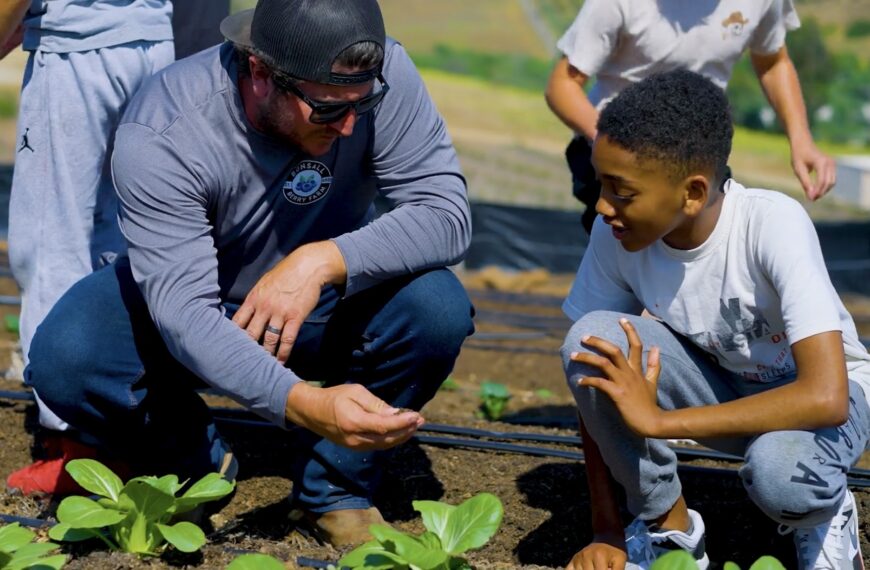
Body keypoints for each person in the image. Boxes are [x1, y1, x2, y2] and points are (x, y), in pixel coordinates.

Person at [16, 0, 474, 548]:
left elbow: (445, 213)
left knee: (435, 310)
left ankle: (335, 491)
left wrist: (320, 260)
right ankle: (195, 462)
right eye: (327, 110)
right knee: (68, 355)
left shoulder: (380, 75)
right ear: (260, 72)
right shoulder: (166, 127)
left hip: (318, 305)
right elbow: (184, 313)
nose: (350, 124)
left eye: (362, 104)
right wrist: (304, 404)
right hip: (190, 302)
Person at [560, 69, 868, 569]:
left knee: (781, 474)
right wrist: (607, 532)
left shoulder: (771, 224)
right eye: (601, 184)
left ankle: (824, 513)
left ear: (693, 193)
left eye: (622, 191)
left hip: (831, 402)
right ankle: (669, 528)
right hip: (727, 393)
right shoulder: (611, 234)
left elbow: (826, 398)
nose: (602, 205)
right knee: (591, 340)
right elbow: (591, 377)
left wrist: (660, 421)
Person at [0, 0, 174, 450]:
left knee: (48, 241)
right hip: (152, 38)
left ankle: (68, 433)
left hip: (76, 48)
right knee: (126, 228)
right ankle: (127, 400)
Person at [545, 0, 836, 235]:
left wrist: (802, 140)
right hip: (612, 147)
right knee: (633, 259)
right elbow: (562, 86)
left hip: (694, 151)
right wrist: (617, 145)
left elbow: (773, 62)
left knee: (709, 246)